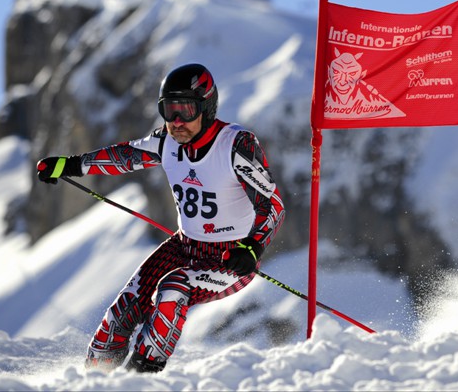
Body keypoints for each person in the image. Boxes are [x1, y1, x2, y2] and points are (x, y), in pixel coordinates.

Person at [36, 63, 285, 373]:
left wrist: (252, 247)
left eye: (186, 111)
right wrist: (71, 165)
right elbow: (124, 156)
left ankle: (141, 377)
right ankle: (92, 379)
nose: (177, 121)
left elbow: (272, 204)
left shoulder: (235, 144)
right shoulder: (166, 143)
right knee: (123, 311)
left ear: (207, 107)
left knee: (173, 288)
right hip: (183, 246)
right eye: (169, 111)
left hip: (229, 257)